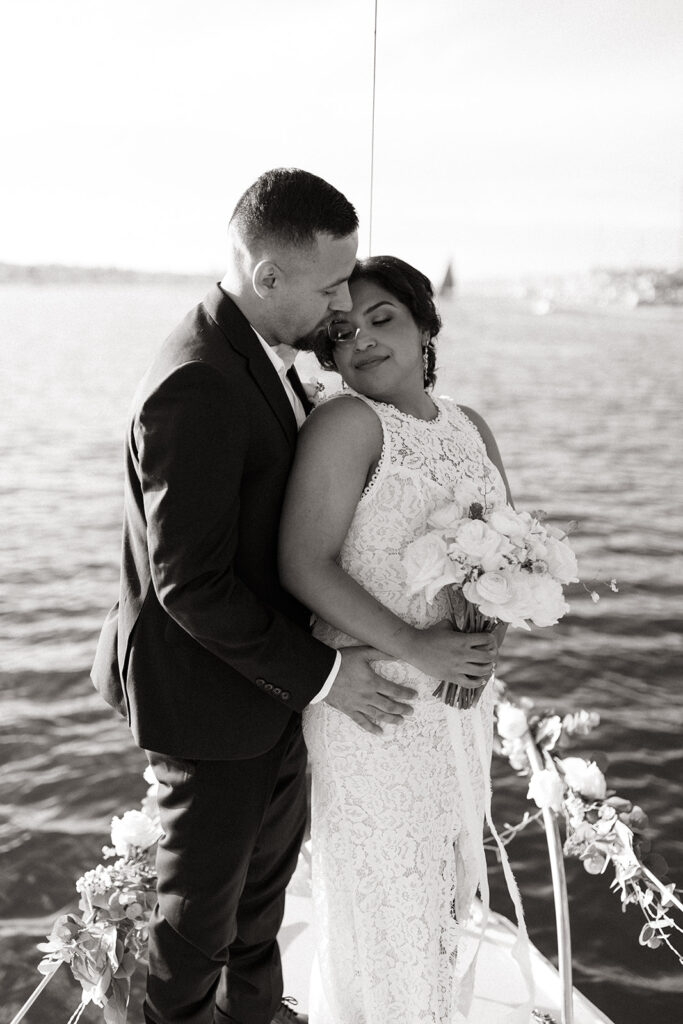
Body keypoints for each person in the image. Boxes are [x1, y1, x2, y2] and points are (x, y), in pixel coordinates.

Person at [90, 170, 432, 1024]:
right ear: (267, 275)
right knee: (194, 931)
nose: (339, 303)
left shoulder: (257, 354)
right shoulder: (199, 378)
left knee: (256, 915)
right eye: (327, 287)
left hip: (264, 695)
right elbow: (189, 584)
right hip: (210, 704)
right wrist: (324, 676)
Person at [279, 256, 512, 1023]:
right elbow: (303, 563)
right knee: (389, 910)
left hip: (455, 706)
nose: (363, 342)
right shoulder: (346, 423)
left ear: (423, 327)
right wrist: (418, 647)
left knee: (443, 901)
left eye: (383, 320)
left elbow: (503, 552)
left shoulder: (470, 426)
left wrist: (488, 640)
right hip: (374, 707)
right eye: (342, 332)